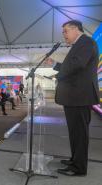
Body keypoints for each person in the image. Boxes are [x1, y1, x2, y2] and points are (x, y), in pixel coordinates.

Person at [46, 20, 100, 176]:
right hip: (74, 96)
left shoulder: (86, 42)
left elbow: (77, 65)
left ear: (76, 29)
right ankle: (75, 160)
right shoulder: (79, 45)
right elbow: (73, 65)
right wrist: (55, 64)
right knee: (74, 132)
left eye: (65, 31)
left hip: (80, 96)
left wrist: (57, 74)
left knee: (80, 133)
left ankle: (79, 168)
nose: (64, 35)